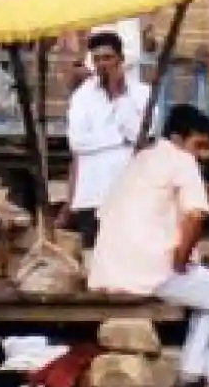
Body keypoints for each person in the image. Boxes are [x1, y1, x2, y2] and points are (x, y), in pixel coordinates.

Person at [86, 104, 209, 387]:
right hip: (149, 270)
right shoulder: (181, 161)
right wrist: (181, 258)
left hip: (111, 269)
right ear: (177, 137)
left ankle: (191, 375)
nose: (200, 154)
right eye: (197, 145)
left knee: (208, 298)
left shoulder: (141, 159)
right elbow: (196, 215)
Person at [64, 29, 151, 249]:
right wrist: (120, 141)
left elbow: (138, 135)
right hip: (92, 194)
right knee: (95, 259)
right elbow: (77, 141)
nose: (103, 64)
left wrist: (118, 95)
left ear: (120, 59)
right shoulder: (82, 96)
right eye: (97, 59)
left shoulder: (143, 94)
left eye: (108, 58)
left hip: (130, 193)